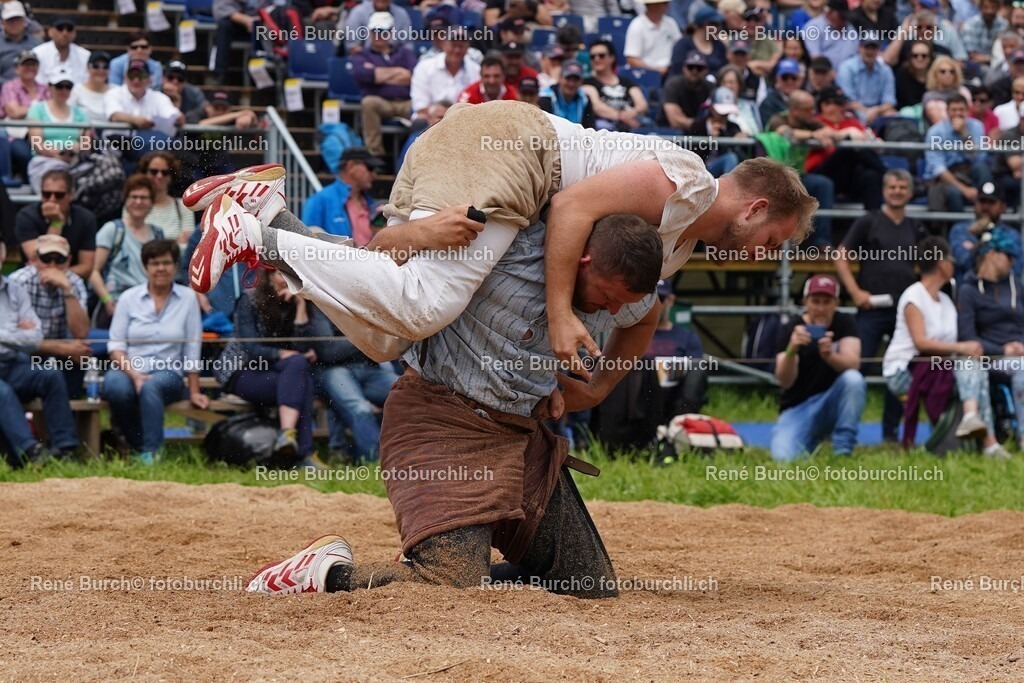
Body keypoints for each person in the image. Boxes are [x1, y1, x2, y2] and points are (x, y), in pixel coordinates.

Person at [185, 100, 816, 370]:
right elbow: (569, 208)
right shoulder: (687, 185)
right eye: (774, 239)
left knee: (383, 336)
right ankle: (250, 228)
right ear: (756, 207)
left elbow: (638, 318)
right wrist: (562, 314)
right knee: (423, 303)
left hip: (498, 158)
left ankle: (269, 216)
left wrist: (586, 382)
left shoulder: (676, 247)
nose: (768, 255)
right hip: (518, 147)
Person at [245, 214, 664, 598]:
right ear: (585, 258)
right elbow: (371, 271)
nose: (612, 311)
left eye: (620, 304)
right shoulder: (508, 255)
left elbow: (647, 315)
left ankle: (449, 555)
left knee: (586, 582)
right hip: (439, 422)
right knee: (450, 585)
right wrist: (272, 231)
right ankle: (325, 574)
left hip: (520, 436)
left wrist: (598, 388)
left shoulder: (619, 293)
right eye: (608, 296)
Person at [879, 236, 1008, 455]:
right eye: (951, 259)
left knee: (975, 367)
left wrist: (969, 350)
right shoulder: (914, 296)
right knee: (969, 364)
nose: (954, 264)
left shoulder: (946, 301)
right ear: (941, 263)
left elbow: (954, 345)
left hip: (937, 367)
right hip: (904, 370)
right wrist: (962, 348)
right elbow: (921, 343)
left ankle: (982, 434)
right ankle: (985, 439)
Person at [834, 169, 930, 443]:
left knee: (898, 374)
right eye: (892, 187)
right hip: (871, 310)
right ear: (884, 191)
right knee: (854, 370)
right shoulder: (868, 221)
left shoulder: (916, 227)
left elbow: (930, 267)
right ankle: (838, 429)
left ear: (910, 193)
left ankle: (891, 434)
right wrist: (855, 292)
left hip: (905, 315)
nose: (897, 191)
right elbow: (841, 257)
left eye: (902, 187)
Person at [104, 239, 206, 463]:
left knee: (151, 386)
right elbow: (116, 346)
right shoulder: (128, 299)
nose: (161, 268)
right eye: (154, 263)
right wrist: (134, 375)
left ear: (175, 265)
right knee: (115, 386)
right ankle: (137, 445)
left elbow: (192, 345)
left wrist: (195, 390)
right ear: (145, 267)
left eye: (166, 263)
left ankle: (152, 453)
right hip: (129, 368)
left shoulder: (188, 298)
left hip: (168, 372)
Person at [215, 270, 324, 468]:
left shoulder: (298, 300)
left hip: (281, 372)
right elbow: (252, 348)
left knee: (300, 373)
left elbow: (301, 349)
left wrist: (300, 306)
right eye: (282, 274)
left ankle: (288, 437)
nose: (287, 280)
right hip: (242, 370)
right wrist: (284, 355)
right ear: (269, 275)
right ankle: (304, 454)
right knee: (302, 379)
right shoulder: (249, 300)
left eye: (293, 276)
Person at [0, 240, 79, 466]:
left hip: (13, 364)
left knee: (51, 375)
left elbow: (35, 337)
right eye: (46, 259)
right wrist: (15, 333)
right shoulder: (22, 282)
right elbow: (26, 338)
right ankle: (31, 451)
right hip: (10, 368)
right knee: (2, 392)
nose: (52, 264)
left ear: (2, 256)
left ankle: (64, 449)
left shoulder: (15, 289)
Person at [771, 274, 867, 461]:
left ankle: (843, 450)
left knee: (854, 380)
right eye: (815, 301)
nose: (821, 308)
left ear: (836, 303)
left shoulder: (845, 323)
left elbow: (853, 364)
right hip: (798, 407)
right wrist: (792, 350)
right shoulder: (791, 328)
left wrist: (830, 355)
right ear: (806, 302)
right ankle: (810, 440)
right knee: (784, 459)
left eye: (826, 302)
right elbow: (784, 380)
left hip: (830, 401)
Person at [956, 227, 1022, 456]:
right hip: (991, 356)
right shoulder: (968, 290)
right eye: (1008, 256)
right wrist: (1002, 350)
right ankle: (993, 443)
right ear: (992, 254)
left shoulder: (1016, 286)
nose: (1012, 263)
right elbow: (967, 336)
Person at [7, 234, 91, 399]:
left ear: (68, 261)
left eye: (59, 259)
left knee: (80, 351)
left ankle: (70, 408)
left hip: (57, 351)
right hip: (24, 353)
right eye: (46, 259)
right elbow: (14, 339)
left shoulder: (74, 283)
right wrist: (61, 348)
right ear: (35, 259)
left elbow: (81, 332)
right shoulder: (18, 282)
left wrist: (67, 290)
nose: (52, 265)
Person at [89, 175, 164, 322]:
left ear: (152, 202)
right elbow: (94, 272)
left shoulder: (158, 234)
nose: (138, 202)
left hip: (148, 305)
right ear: (125, 200)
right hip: (116, 304)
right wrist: (107, 301)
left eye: (144, 198)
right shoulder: (113, 229)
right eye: (133, 197)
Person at [805, 86, 888, 212]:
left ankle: (874, 223)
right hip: (824, 173)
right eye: (839, 103)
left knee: (870, 176)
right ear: (825, 105)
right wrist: (847, 134)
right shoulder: (815, 122)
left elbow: (873, 142)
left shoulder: (852, 122)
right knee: (849, 148)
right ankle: (887, 175)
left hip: (850, 176)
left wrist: (874, 142)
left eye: (844, 103)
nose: (843, 107)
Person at [352, 11, 416, 161]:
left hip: (406, 102)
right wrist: (399, 72)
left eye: (383, 31)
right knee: (369, 103)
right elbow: (365, 75)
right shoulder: (361, 55)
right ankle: (375, 155)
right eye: (375, 31)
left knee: (426, 107)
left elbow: (414, 75)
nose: (379, 35)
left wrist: (379, 75)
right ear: (369, 32)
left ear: (391, 32)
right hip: (382, 102)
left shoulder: (405, 53)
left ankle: (420, 153)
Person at [15, 169, 96, 280]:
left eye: (59, 195)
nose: (52, 200)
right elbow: (38, 259)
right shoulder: (27, 216)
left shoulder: (86, 219)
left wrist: (58, 276)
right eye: (46, 194)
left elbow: (86, 267)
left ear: (71, 195)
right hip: (33, 280)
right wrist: (56, 223)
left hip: (71, 280)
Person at [25, 66, 89, 192]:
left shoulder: (80, 112)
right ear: (50, 87)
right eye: (59, 86)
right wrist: (59, 154)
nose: (64, 90)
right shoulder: (37, 109)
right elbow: (37, 143)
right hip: (45, 161)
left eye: (68, 87)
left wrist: (71, 152)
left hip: (75, 162)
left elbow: (86, 143)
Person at [924, 94, 992, 213]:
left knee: (982, 168)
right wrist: (964, 190)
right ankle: (958, 228)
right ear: (947, 111)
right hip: (945, 176)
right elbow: (938, 169)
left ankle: (985, 210)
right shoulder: (935, 132)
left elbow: (979, 157)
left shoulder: (976, 126)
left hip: (968, 170)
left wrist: (965, 134)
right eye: (954, 110)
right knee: (954, 193)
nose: (958, 114)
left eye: (961, 110)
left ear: (967, 111)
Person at [301, 147, 384, 243]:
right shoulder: (320, 200)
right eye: (370, 168)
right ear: (351, 166)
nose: (374, 174)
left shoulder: (371, 204)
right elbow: (306, 241)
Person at [949, 182, 1024, 284]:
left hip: (1002, 294)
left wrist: (976, 248)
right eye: (982, 201)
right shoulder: (960, 230)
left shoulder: (1012, 235)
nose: (986, 207)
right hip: (969, 291)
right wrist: (998, 253)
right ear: (975, 204)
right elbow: (964, 261)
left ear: (1002, 207)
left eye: (991, 202)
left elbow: (1015, 269)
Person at [410, 27, 480, 122]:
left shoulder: (475, 70)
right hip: (430, 120)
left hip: (464, 121)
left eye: (461, 46)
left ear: (468, 48)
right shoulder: (424, 67)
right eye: (453, 45)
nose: (457, 50)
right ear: (444, 45)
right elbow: (420, 106)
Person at [582, 39, 648, 132]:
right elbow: (597, 107)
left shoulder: (626, 82)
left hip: (632, 121)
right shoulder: (587, 82)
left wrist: (633, 113)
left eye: (601, 56)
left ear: (612, 57)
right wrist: (621, 117)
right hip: (606, 126)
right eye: (593, 56)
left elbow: (642, 104)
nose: (597, 59)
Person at [0, 49, 47, 179]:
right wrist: (36, 108)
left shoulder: (45, 88)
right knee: (24, 154)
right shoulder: (10, 86)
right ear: (17, 68)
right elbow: (14, 112)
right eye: (26, 65)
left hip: (42, 132)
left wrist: (26, 110)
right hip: (15, 134)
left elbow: (52, 111)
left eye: (33, 65)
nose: (30, 68)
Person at [836, 35, 897, 126]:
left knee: (893, 115)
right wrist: (867, 111)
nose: (870, 51)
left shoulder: (885, 70)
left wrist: (876, 110)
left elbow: (890, 102)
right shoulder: (846, 68)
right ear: (859, 48)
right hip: (854, 111)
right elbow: (847, 101)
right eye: (867, 47)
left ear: (878, 50)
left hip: (878, 111)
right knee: (849, 114)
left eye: (873, 48)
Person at [136, 152, 194, 245]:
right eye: (154, 171)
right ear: (145, 173)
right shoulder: (134, 204)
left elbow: (187, 244)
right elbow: (130, 241)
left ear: (171, 176)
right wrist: (174, 242)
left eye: (165, 172)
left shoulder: (184, 206)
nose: (159, 176)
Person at [624, 0, 681, 76]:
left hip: (670, 71)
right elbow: (632, 60)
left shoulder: (671, 23)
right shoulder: (637, 25)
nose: (668, 5)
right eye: (664, 3)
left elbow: (680, 46)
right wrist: (655, 71)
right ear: (653, 5)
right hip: (645, 73)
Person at [662, 51, 714, 131]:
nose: (694, 71)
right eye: (690, 67)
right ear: (684, 68)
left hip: (700, 134)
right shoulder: (673, 85)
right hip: (670, 131)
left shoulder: (710, 87)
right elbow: (675, 121)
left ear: (706, 70)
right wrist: (703, 126)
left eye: (699, 68)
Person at [31, 15, 88, 85]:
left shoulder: (85, 56)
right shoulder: (37, 54)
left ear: (74, 33)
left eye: (69, 29)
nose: (65, 33)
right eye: (60, 28)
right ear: (50, 32)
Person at [538, 62, 595, 127]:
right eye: (568, 79)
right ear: (560, 78)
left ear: (581, 82)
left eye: (575, 80)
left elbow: (589, 127)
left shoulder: (585, 99)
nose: (571, 84)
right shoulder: (546, 97)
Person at [0, 1, 41, 83]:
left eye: (18, 19)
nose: (15, 23)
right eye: (10, 20)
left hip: (36, 90)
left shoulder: (37, 42)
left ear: (24, 21)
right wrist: (11, 87)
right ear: (2, 23)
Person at [961, 0, 1006, 69]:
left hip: (999, 66)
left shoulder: (1004, 25)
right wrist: (992, 59)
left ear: (998, 8)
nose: (989, 11)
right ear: (980, 8)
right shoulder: (970, 25)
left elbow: (1006, 53)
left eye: (993, 7)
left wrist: (990, 59)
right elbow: (972, 55)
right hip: (976, 67)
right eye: (986, 7)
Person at [68, 50, 110, 122]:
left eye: (105, 67)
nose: (101, 70)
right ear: (88, 68)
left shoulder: (116, 91)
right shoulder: (77, 89)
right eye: (96, 66)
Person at [758, 58, 802, 125]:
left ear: (799, 79)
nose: (789, 81)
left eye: (793, 77)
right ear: (777, 79)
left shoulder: (805, 101)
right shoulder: (768, 103)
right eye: (785, 77)